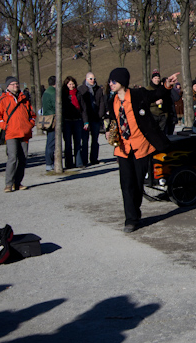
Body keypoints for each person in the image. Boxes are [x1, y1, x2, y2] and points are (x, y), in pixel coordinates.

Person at [105, 67, 178, 232]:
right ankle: (130, 219)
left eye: (114, 81)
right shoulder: (112, 101)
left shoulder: (137, 95)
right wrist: (109, 131)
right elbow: (111, 120)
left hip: (141, 146)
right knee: (126, 184)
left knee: (137, 183)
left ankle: (135, 213)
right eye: (110, 81)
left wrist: (167, 85)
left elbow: (156, 95)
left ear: (122, 82)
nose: (111, 84)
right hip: (122, 148)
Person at [0, 76, 35, 192]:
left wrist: (30, 124)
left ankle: (18, 182)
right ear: (8, 86)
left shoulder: (24, 99)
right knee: (12, 157)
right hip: (11, 133)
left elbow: (32, 115)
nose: (16, 86)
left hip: (24, 133)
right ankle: (8, 183)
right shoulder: (2, 99)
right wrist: (5, 126)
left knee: (23, 158)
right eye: (13, 84)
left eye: (17, 84)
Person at [78, 71, 106, 165]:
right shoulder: (81, 89)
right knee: (85, 140)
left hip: (96, 117)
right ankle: (84, 160)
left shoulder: (98, 89)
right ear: (86, 79)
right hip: (85, 117)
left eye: (94, 78)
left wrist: (100, 114)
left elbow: (102, 102)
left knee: (95, 140)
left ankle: (94, 159)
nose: (93, 80)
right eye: (91, 79)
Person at [61, 75, 87, 168]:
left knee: (77, 143)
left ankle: (79, 162)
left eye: (73, 84)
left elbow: (83, 108)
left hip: (77, 121)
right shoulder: (63, 94)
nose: (71, 86)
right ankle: (69, 163)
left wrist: (85, 121)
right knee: (68, 143)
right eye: (69, 84)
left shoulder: (78, 94)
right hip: (67, 121)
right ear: (66, 84)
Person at [41, 76, 57, 171]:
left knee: (49, 142)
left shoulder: (46, 92)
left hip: (47, 119)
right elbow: (57, 106)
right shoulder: (53, 93)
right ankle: (49, 163)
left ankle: (49, 162)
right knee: (51, 143)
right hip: (53, 120)